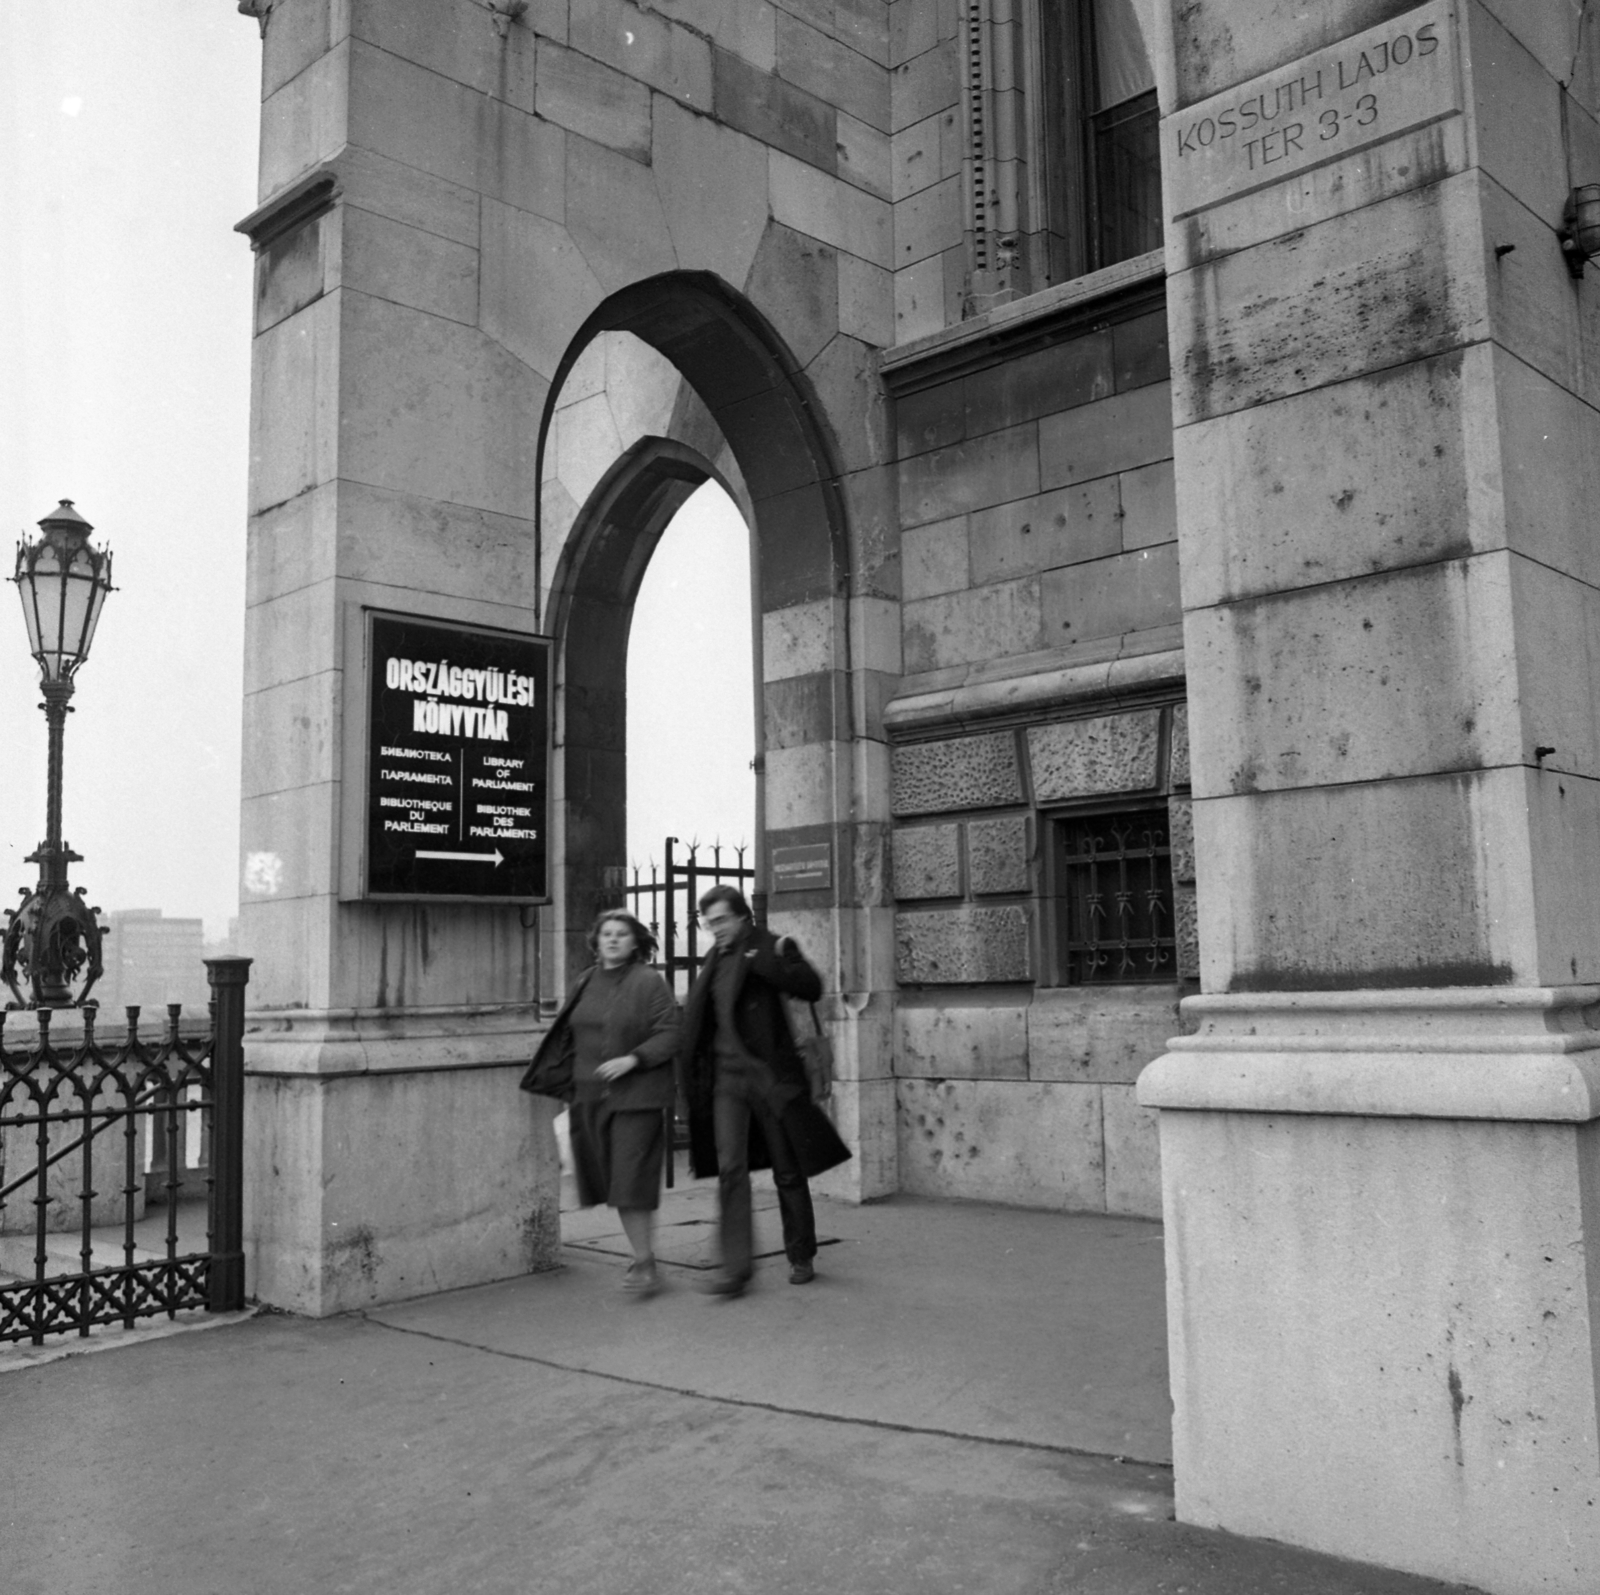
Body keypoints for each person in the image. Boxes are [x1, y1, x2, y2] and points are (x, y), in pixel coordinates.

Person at [679, 885, 850, 1296]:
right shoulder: (714, 959)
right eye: (710, 923)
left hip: (770, 1079)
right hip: (727, 1082)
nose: (716, 929)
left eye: (722, 920)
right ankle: (735, 1269)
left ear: (742, 917)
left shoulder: (773, 946)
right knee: (730, 1170)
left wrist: (762, 963)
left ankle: (801, 1253)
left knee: (786, 1170)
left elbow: (811, 986)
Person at [520, 910, 680, 1296]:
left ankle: (644, 1262)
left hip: (636, 1099)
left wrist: (634, 1059)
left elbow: (672, 1032)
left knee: (630, 1183)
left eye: (622, 934)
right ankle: (643, 1259)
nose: (613, 939)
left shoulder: (649, 981)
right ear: (596, 941)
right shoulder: (585, 980)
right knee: (610, 1184)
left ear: (635, 942)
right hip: (589, 1096)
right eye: (607, 933)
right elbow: (568, 1037)